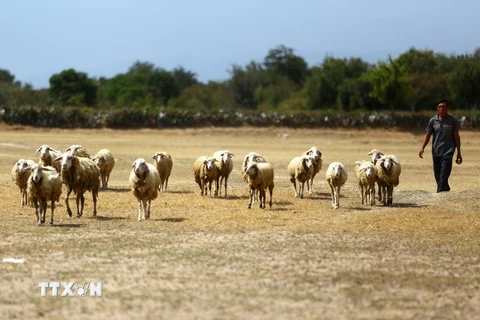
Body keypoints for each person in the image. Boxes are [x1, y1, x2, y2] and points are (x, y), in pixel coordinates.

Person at [418, 99, 462, 192]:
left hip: (448, 152)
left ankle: (439, 195)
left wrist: (458, 152)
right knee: (438, 176)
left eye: (444, 106)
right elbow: (428, 135)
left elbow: (457, 137)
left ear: (447, 108)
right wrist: (422, 148)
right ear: (437, 108)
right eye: (440, 107)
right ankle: (446, 189)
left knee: (443, 175)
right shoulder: (433, 121)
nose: (441, 108)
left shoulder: (452, 121)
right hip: (436, 152)